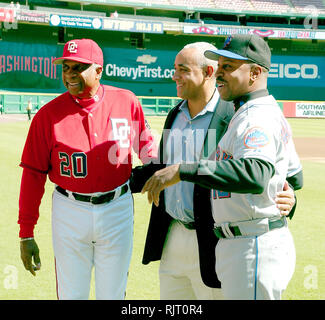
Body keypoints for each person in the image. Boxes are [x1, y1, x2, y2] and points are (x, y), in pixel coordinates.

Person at [131, 41, 300, 300]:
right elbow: (165, 166)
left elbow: (272, 174)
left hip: (225, 239)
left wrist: (289, 197)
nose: (174, 75)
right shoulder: (176, 114)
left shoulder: (243, 114)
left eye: (228, 66)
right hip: (177, 234)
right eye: (220, 65)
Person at [18, 38, 157, 300]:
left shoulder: (126, 101)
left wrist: (157, 169)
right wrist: (26, 234)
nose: (70, 74)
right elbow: (32, 176)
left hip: (117, 207)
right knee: (72, 295)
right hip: (69, 210)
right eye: (66, 67)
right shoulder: (47, 116)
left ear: (99, 70)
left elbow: (146, 146)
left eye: (78, 67)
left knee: (113, 294)